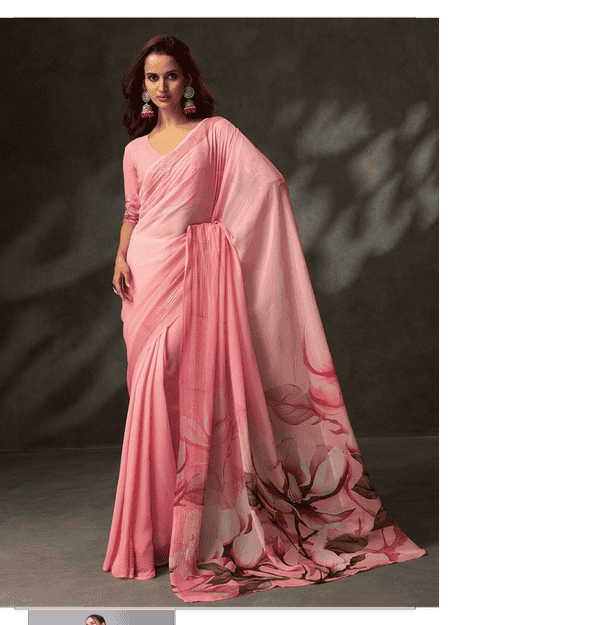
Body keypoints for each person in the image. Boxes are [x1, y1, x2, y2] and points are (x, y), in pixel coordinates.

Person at [104, 34, 426, 603]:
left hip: (192, 275)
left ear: (188, 81)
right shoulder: (135, 151)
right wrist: (122, 254)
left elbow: (268, 182)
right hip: (145, 276)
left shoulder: (215, 133)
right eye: (152, 78)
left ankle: (195, 528)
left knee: (184, 391)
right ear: (143, 87)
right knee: (152, 396)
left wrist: (215, 240)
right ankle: (153, 534)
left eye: (172, 75)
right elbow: (134, 210)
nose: (162, 86)